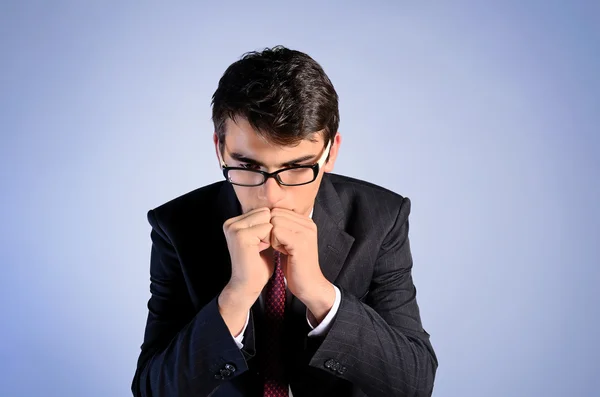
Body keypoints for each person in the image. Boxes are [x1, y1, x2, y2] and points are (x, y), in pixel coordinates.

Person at [131, 45, 437, 397]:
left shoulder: (381, 218)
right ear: (220, 149)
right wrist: (235, 298)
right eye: (248, 167)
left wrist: (321, 295)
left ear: (331, 153)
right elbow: (152, 390)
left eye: (296, 168)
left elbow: (414, 384)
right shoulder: (177, 226)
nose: (272, 196)